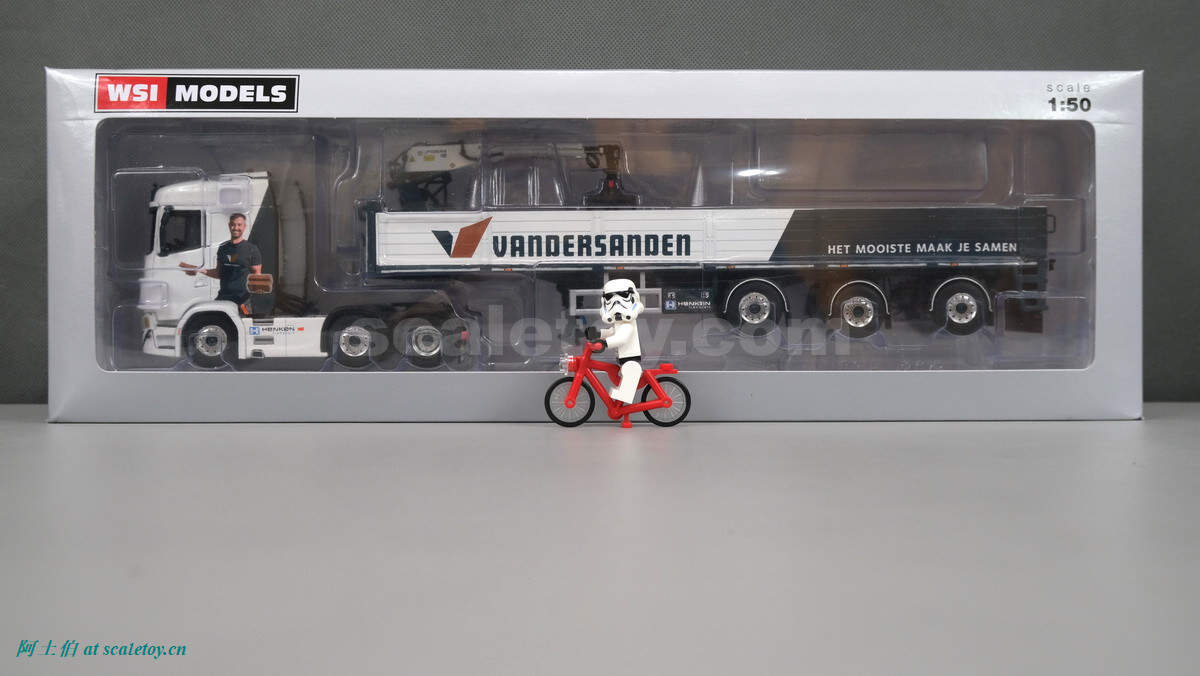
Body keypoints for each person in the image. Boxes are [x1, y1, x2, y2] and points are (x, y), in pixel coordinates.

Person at [182, 213, 262, 310]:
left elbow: (257, 275)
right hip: (223, 299)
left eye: (239, 225)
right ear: (229, 225)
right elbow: (218, 273)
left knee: (244, 319)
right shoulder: (223, 248)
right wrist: (198, 269)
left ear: (244, 226)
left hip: (243, 302)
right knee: (215, 318)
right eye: (233, 224)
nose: (236, 228)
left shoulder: (251, 249)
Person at [586, 278, 644, 404]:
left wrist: (604, 343)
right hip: (622, 359)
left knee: (630, 371)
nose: (616, 303)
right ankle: (620, 403)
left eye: (623, 295)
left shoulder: (628, 325)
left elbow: (621, 338)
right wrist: (598, 334)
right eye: (609, 297)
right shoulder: (620, 325)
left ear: (633, 297)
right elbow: (612, 332)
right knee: (622, 373)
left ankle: (623, 400)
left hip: (630, 359)